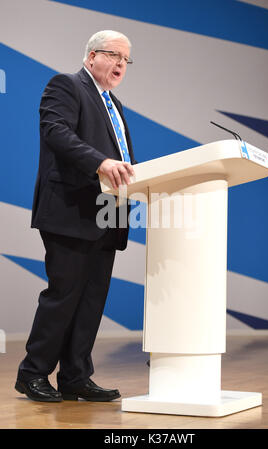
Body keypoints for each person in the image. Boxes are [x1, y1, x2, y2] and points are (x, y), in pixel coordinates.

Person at [15, 30, 137, 402]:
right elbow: (56, 132)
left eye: (125, 60)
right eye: (113, 55)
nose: (120, 64)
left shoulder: (113, 104)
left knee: (91, 300)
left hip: (105, 214)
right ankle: (33, 374)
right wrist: (100, 162)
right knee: (64, 296)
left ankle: (75, 376)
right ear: (90, 56)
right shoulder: (66, 85)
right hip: (70, 209)